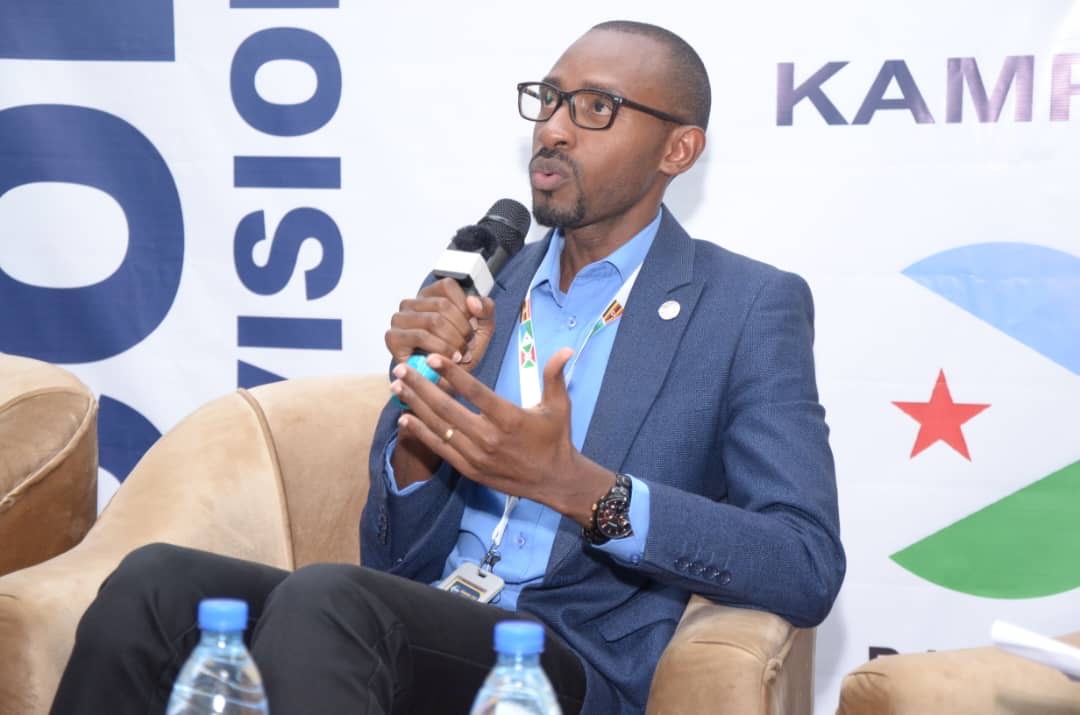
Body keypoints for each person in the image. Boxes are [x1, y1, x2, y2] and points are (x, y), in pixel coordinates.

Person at [50, 20, 844, 715]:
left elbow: (804, 559)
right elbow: (392, 559)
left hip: (565, 661)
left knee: (333, 599)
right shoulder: (479, 289)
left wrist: (579, 488)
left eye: (596, 108)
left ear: (679, 147)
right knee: (154, 585)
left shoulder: (745, 306)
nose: (556, 130)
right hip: (416, 617)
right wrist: (418, 409)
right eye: (550, 99)